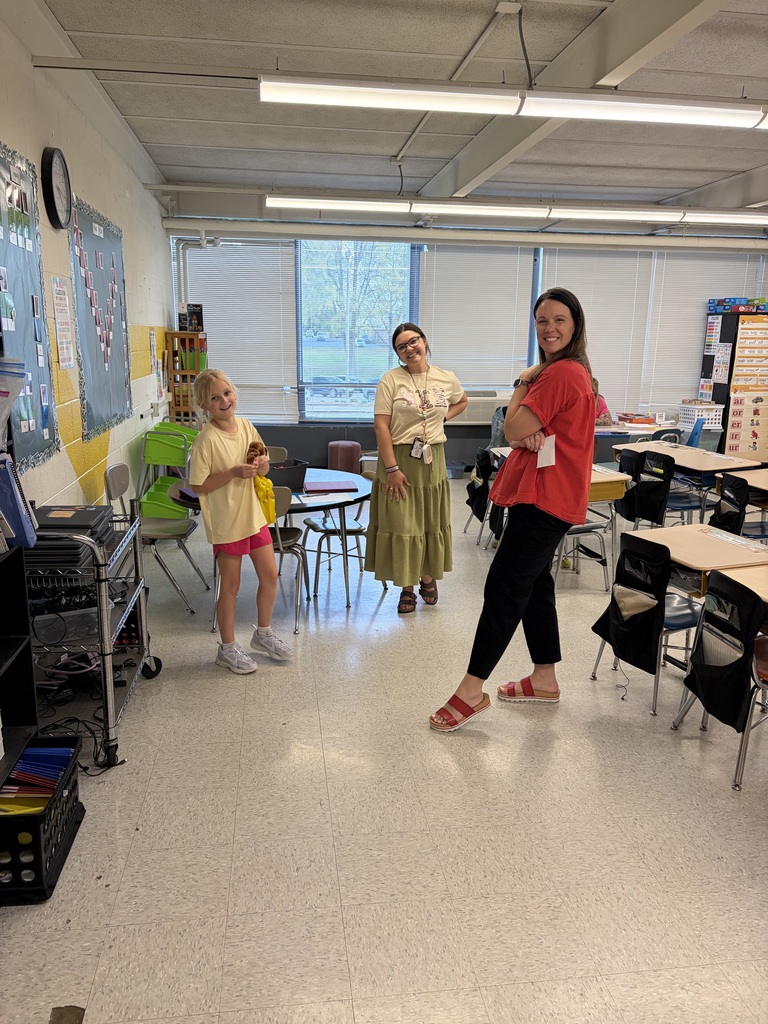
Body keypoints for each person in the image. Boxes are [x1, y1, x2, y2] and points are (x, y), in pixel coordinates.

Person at [429, 287, 595, 730]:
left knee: (504, 587)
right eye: (542, 321)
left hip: (547, 498)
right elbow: (518, 430)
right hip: (546, 494)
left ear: (575, 325)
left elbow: (513, 425)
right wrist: (525, 424)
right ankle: (544, 678)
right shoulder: (563, 373)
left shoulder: (559, 375)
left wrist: (523, 385)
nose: (549, 328)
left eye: (559, 320)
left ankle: (470, 690)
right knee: (534, 584)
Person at [189, 368, 290, 674]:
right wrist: (232, 473)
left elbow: (263, 465)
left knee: (270, 575)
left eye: (227, 393)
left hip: (253, 516)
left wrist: (261, 465)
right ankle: (228, 647)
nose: (223, 401)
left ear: (235, 393)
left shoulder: (246, 426)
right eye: (214, 398)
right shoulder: (205, 440)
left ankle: (263, 633)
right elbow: (198, 485)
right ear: (204, 405)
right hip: (227, 521)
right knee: (230, 586)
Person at [365, 322, 468, 613]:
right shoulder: (390, 380)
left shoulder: (445, 378)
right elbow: (381, 426)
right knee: (403, 524)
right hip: (398, 460)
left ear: (424, 341)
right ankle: (406, 587)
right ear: (398, 354)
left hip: (433, 460)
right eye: (401, 347)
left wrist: (442, 418)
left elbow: (462, 401)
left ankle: (427, 577)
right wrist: (392, 469)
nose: (409, 349)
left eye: (413, 342)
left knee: (428, 523)